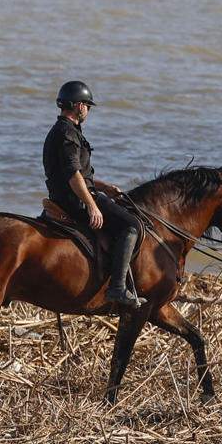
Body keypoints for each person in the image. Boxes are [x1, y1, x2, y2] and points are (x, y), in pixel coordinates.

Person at [43, 80, 145, 310]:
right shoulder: (67, 132)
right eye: (87, 105)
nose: (88, 110)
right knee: (132, 225)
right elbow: (72, 174)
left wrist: (105, 187)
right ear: (79, 106)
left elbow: (78, 173)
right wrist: (92, 205)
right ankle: (117, 288)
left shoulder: (63, 131)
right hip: (74, 199)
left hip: (72, 193)